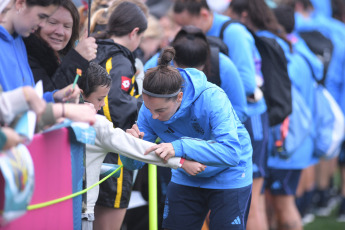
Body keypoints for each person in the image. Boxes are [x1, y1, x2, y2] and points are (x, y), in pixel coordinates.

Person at [123, 47, 253, 230]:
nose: (153, 117)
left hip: (229, 174)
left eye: (160, 111)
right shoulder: (150, 109)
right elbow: (134, 164)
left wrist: (181, 146)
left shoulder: (212, 97)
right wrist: (129, 147)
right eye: (148, 108)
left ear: (179, 97)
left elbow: (231, 153)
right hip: (186, 175)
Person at [79, 61, 205, 229]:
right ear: (81, 95)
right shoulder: (97, 124)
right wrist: (181, 163)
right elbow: (138, 149)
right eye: (100, 99)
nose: (102, 105)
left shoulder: (59, 118)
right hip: (83, 210)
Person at [91, 2, 148, 229]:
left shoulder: (95, 48)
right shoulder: (121, 60)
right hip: (114, 150)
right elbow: (115, 103)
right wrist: (148, 104)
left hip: (93, 146)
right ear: (134, 32)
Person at [144, 25, 248, 123]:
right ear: (173, 60)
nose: (190, 78)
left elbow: (239, 110)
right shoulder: (159, 63)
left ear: (206, 62)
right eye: (182, 71)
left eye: (196, 72)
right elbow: (142, 100)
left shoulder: (223, 66)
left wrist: (210, 126)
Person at [24, 0, 97, 92]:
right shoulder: (27, 55)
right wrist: (77, 58)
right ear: (38, 22)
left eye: (67, 26)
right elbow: (50, 96)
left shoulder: (63, 56)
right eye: (52, 22)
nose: (60, 32)